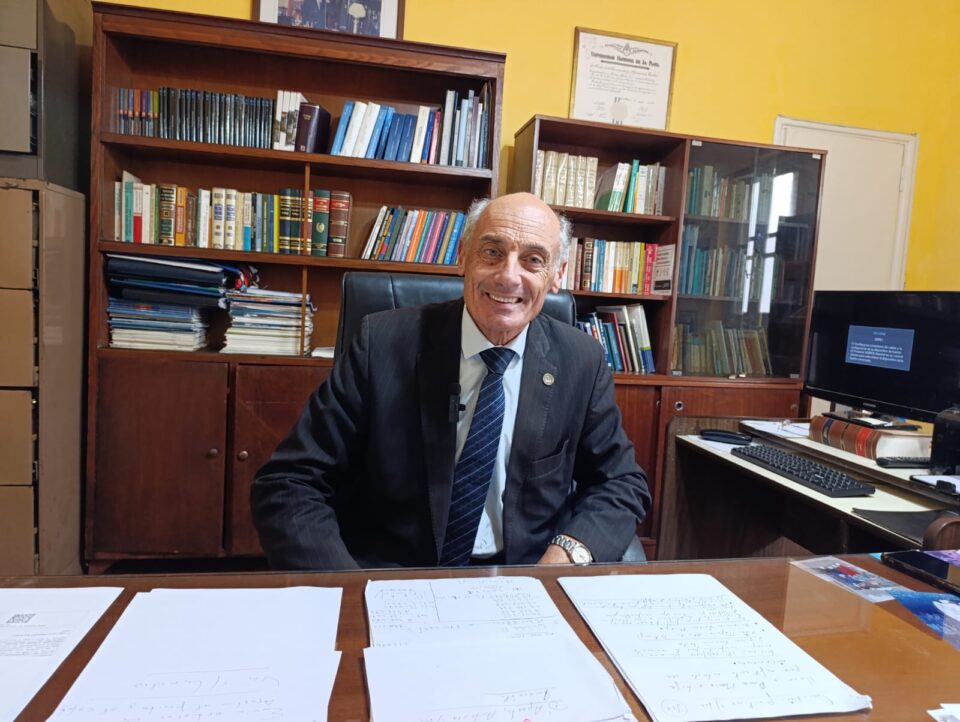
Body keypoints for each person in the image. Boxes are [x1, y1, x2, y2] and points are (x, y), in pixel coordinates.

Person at [251, 192, 651, 570]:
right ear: (463, 256)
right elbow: (290, 483)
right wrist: (345, 589)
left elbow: (621, 482)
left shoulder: (581, 360)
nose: (508, 276)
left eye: (533, 260)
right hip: (395, 577)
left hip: (524, 578)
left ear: (557, 275)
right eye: (492, 252)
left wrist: (566, 555)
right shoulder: (382, 344)